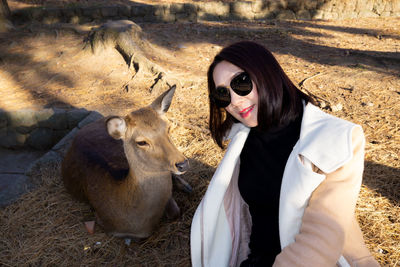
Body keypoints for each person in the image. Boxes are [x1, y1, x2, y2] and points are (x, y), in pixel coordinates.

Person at [190, 41, 379, 267]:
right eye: (222, 95)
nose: (235, 101)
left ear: (266, 74)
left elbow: (320, 240)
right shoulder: (241, 140)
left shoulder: (337, 140)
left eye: (241, 83)